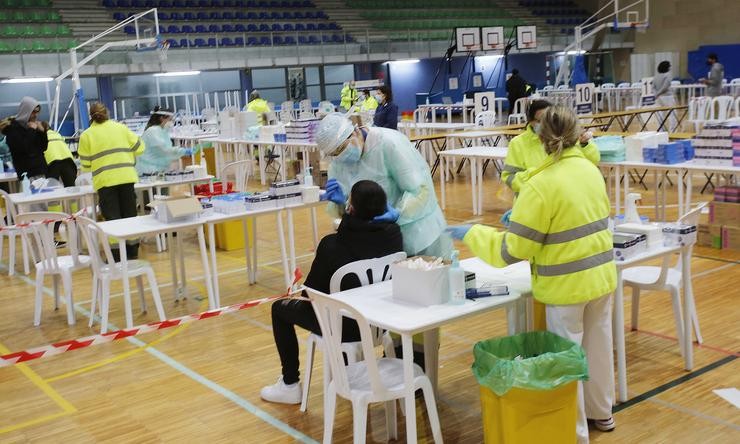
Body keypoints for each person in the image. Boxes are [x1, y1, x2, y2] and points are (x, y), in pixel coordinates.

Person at [447, 105, 617, 442]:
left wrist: (473, 234)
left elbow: (513, 251)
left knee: (567, 360)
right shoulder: (589, 170)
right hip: (602, 276)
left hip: (565, 286)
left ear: (540, 138)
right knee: (599, 347)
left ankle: (575, 431)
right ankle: (603, 413)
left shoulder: (540, 185)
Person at [260, 180, 403, 404]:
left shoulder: (332, 245)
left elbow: (311, 295)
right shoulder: (394, 235)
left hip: (341, 327)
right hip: (379, 323)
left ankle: (289, 384)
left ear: (350, 208)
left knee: (279, 309)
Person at [316, 112, 451, 258]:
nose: (340, 155)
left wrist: (399, 213)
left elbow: (421, 191)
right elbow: (348, 210)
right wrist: (340, 205)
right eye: (334, 153)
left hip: (420, 234)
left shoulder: (389, 144)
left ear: (354, 132)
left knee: (431, 276)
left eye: (342, 148)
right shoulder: (338, 162)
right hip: (382, 242)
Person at [78, 102, 145, 260]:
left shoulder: (86, 135)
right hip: (126, 177)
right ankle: (133, 251)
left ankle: (116, 255)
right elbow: (140, 148)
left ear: (91, 116)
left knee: (112, 219)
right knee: (130, 215)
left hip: (105, 182)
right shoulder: (120, 128)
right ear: (107, 113)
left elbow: (86, 165)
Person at [502, 99, 600, 196]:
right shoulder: (517, 143)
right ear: (530, 121)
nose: (546, 124)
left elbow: (594, 159)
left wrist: (584, 144)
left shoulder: (564, 137)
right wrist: (539, 178)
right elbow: (509, 178)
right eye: (541, 121)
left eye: (549, 120)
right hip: (532, 199)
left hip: (563, 198)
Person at [136, 107, 194, 175]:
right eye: (170, 119)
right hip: (148, 171)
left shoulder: (162, 132)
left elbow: (166, 154)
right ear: (162, 118)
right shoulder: (153, 131)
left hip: (157, 170)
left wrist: (182, 152)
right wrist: (183, 151)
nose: (172, 122)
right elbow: (165, 150)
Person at [1, 96, 47, 181]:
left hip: (40, 170)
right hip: (27, 174)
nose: (36, 115)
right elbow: (24, 148)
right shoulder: (12, 129)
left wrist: (42, 132)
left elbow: (44, 147)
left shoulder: (32, 126)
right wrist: (31, 130)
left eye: (37, 112)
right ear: (26, 111)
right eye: (33, 112)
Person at [42, 122, 77, 187]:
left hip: (52, 162)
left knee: (52, 189)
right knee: (71, 187)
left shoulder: (41, 136)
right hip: (68, 160)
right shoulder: (57, 134)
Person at [653, 61, 677, 132]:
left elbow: (653, 87)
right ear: (667, 67)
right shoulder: (668, 75)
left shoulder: (656, 76)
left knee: (661, 114)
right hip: (667, 96)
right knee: (672, 113)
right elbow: (665, 87)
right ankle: (672, 130)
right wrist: (658, 93)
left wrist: (656, 94)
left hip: (658, 98)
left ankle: (660, 130)